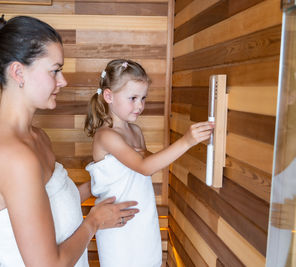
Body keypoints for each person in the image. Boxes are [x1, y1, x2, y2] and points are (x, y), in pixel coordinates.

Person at [0, 16, 140, 267]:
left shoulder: (37, 137)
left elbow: (50, 205)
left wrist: (106, 181)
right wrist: (94, 222)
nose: (62, 81)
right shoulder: (14, 157)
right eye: (55, 70)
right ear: (18, 72)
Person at [84, 59, 214, 267]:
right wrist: (186, 141)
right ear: (108, 96)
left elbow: (150, 161)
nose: (140, 105)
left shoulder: (135, 131)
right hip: (118, 224)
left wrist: (191, 147)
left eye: (143, 98)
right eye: (133, 98)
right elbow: (145, 168)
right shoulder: (105, 136)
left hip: (142, 217)